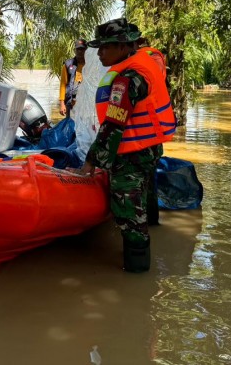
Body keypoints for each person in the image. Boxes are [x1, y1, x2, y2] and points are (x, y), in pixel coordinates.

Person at [75, 18, 176, 272]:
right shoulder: (145, 64)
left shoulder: (126, 80)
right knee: (145, 197)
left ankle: (137, 274)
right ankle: (153, 227)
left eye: (105, 48)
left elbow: (113, 125)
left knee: (130, 216)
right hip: (149, 149)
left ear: (123, 47)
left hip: (131, 156)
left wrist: (91, 161)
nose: (99, 54)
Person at [58, 39, 87, 116]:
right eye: (78, 49)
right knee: (70, 125)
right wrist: (61, 103)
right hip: (70, 103)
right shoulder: (68, 65)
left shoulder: (90, 65)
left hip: (86, 103)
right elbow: (62, 84)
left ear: (86, 50)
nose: (80, 51)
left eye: (82, 49)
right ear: (75, 50)